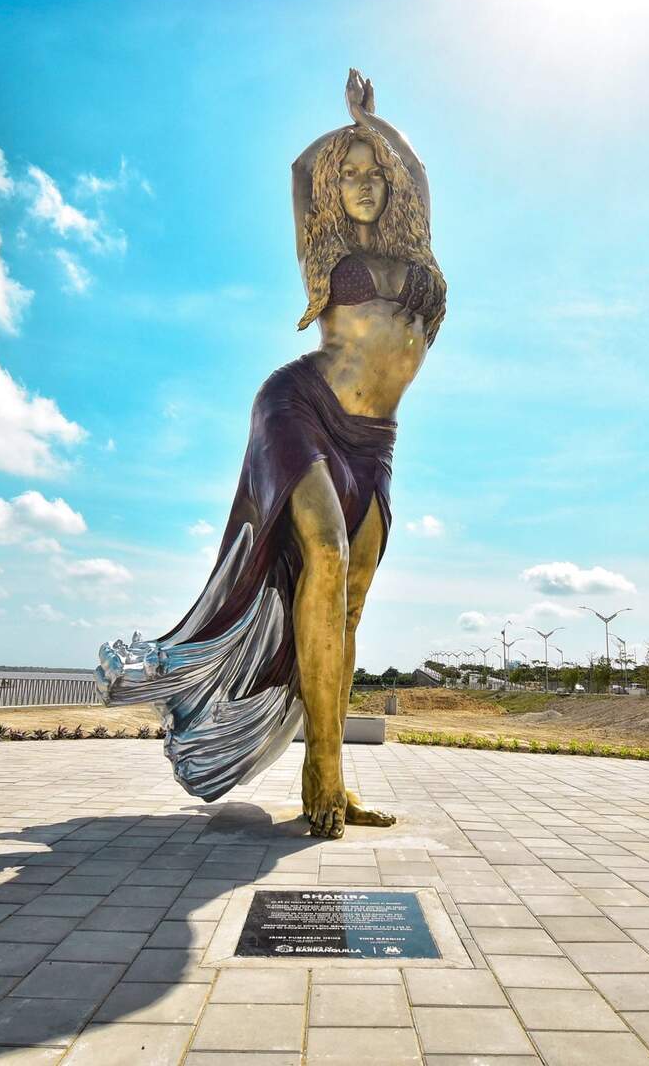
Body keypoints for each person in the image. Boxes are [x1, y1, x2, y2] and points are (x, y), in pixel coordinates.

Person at [98, 70, 446, 839]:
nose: (362, 183)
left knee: (347, 605)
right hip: (298, 408)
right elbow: (299, 172)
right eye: (348, 174)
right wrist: (345, 129)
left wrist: (377, 127)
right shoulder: (326, 254)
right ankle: (319, 779)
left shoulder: (414, 248)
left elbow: (418, 176)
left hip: (373, 443)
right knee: (322, 554)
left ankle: (330, 769)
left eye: (372, 174)